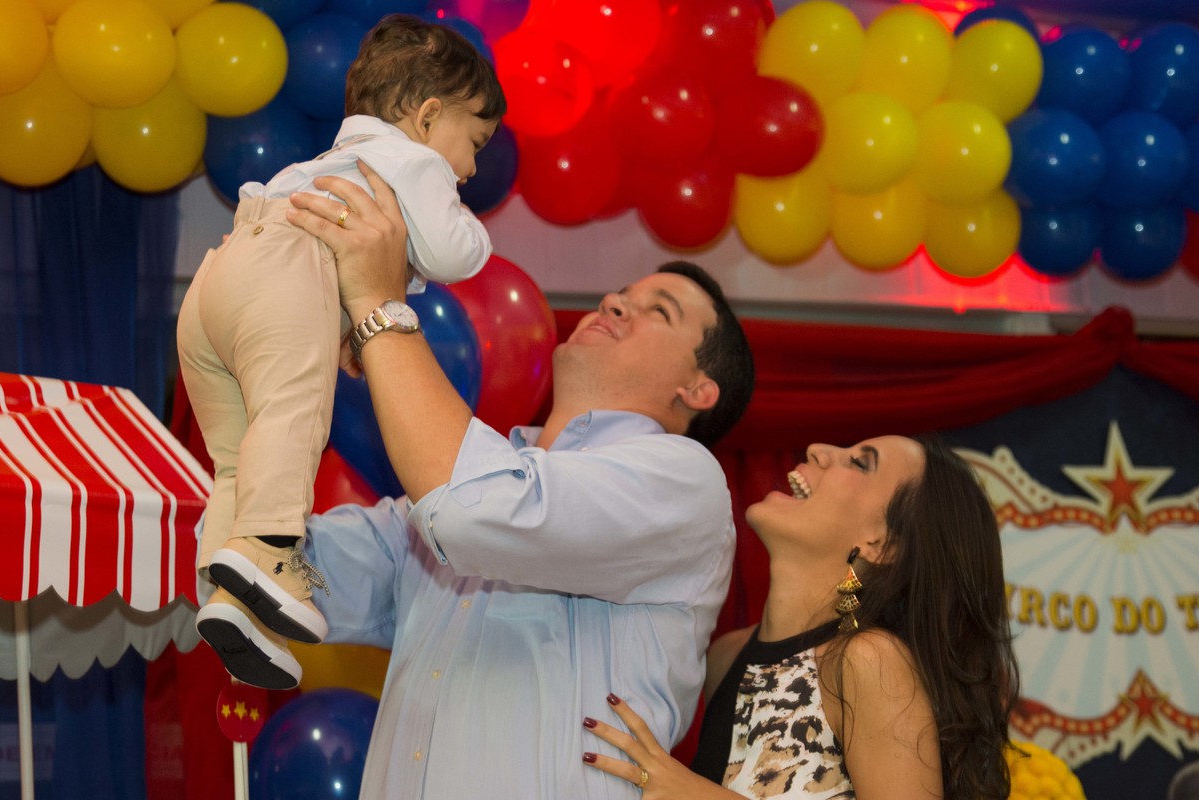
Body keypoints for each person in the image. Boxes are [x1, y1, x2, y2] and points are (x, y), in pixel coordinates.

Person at [247, 160, 757, 796]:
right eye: (622, 292)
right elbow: (295, 569)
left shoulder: (684, 481)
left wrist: (378, 306)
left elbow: (472, 512)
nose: (614, 301)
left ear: (698, 388)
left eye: (660, 309)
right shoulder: (487, 474)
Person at [177, 15, 505, 688]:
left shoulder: (327, 160)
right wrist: (475, 232)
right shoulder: (412, 162)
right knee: (294, 415)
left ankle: (232, 595)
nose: (472, 169)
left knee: (241, 455)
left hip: (215, 283)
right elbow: (451, 252)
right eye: (473, 144)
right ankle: (270, 551)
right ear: (427, 116)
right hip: (280, 270)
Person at [582, 434, 1020, 799]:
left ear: (881, 544)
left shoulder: (868, 660)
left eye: (859, 463)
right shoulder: (724, 655)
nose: (817, 450)